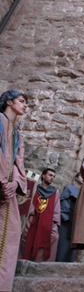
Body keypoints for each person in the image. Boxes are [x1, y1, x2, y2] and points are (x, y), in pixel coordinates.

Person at [0, 90, 28, 292]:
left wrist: (15, 183)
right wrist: (2, 181)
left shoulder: (17, 133)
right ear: (8, 102)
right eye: (21, 101)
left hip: (8, 191)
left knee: (10, 234)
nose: (25, 105)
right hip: (1, 185)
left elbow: (19, 165)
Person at [20, 168, 61, 262]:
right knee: (25, 234)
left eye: (53, 176)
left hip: (47, 220)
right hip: (34, 217)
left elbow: (56, 208)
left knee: (54, 237)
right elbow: (29, 204)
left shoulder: (55, 192)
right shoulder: (35, 188)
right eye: (50, 175)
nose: (52, 178)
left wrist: (54, 223)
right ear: (43, 176)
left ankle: (44, 264)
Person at [56, 172, 83, 262]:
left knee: (72, 248)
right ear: (76, 178)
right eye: (81, 176)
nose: (83, 178)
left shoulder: (83, 192)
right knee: (63, 244)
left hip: (77, 222)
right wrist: (65, 216)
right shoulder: (69, 188)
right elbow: (63, 201)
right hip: (67, 220)